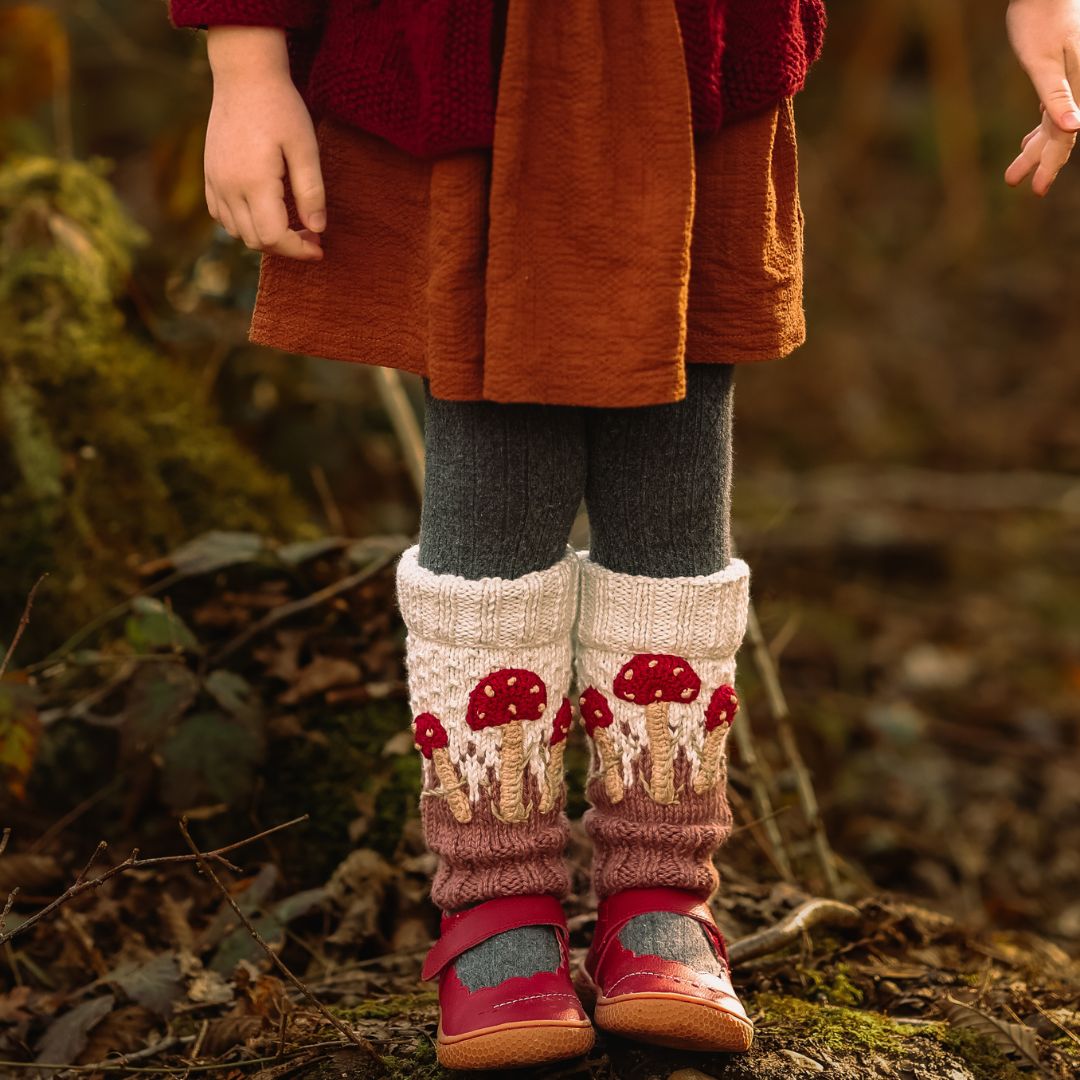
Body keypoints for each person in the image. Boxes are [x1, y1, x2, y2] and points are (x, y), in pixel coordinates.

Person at [168, 0, 1077, 1070]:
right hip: (475, 54)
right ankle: (494, 907)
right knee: (494, 426)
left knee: (678, 450)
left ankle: (659, 894)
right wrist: (245, 63)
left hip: (696, 50)